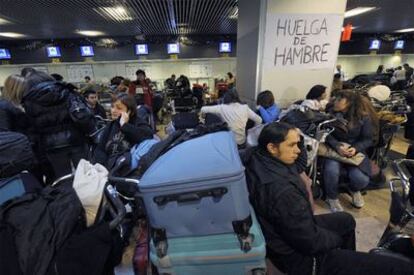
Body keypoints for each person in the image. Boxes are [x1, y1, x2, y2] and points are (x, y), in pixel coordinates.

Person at [244, 122, 414, 275]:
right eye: (292, 145)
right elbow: (311, 242)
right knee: (399, 268)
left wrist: (297, 138)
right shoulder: (282, 192)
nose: (298, 150)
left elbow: (301, 162)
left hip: (286, 234)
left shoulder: (258, 156)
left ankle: (345, 264)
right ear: (272, 147)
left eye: (298, 143)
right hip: (299, 259)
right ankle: (339, 262)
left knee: (346, 219)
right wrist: (335, 240)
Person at [22, 70, 96, 182]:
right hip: (76, 140)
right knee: (86, 175)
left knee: (61, 179)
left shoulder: (29, 100)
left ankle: (67, 198)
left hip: (50, 146)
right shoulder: (66, 91)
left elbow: (32, 127)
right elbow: (82, 117)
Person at [324, 90, 373, 212]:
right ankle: (332, 197)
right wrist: (337, 146)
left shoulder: (364, 117)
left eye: (339, 99)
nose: (335, 101)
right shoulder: (331, 114)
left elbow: (368, 139)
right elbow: (326, 134)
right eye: (336, 98)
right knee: (331, 171)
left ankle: (354, 189)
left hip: (354, 151)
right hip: (334, 150)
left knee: (361, 179)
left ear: (349, 103)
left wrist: (355, 148)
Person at [94, 93, 153, 169]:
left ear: (130, 111)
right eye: (112, 107)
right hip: (110, 169)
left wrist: (124, 125)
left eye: (119, 108)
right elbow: (100, 148)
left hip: (130, 170)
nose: (113, 111)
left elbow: (147, 138)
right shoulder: (111, 125)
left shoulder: (139, 124)